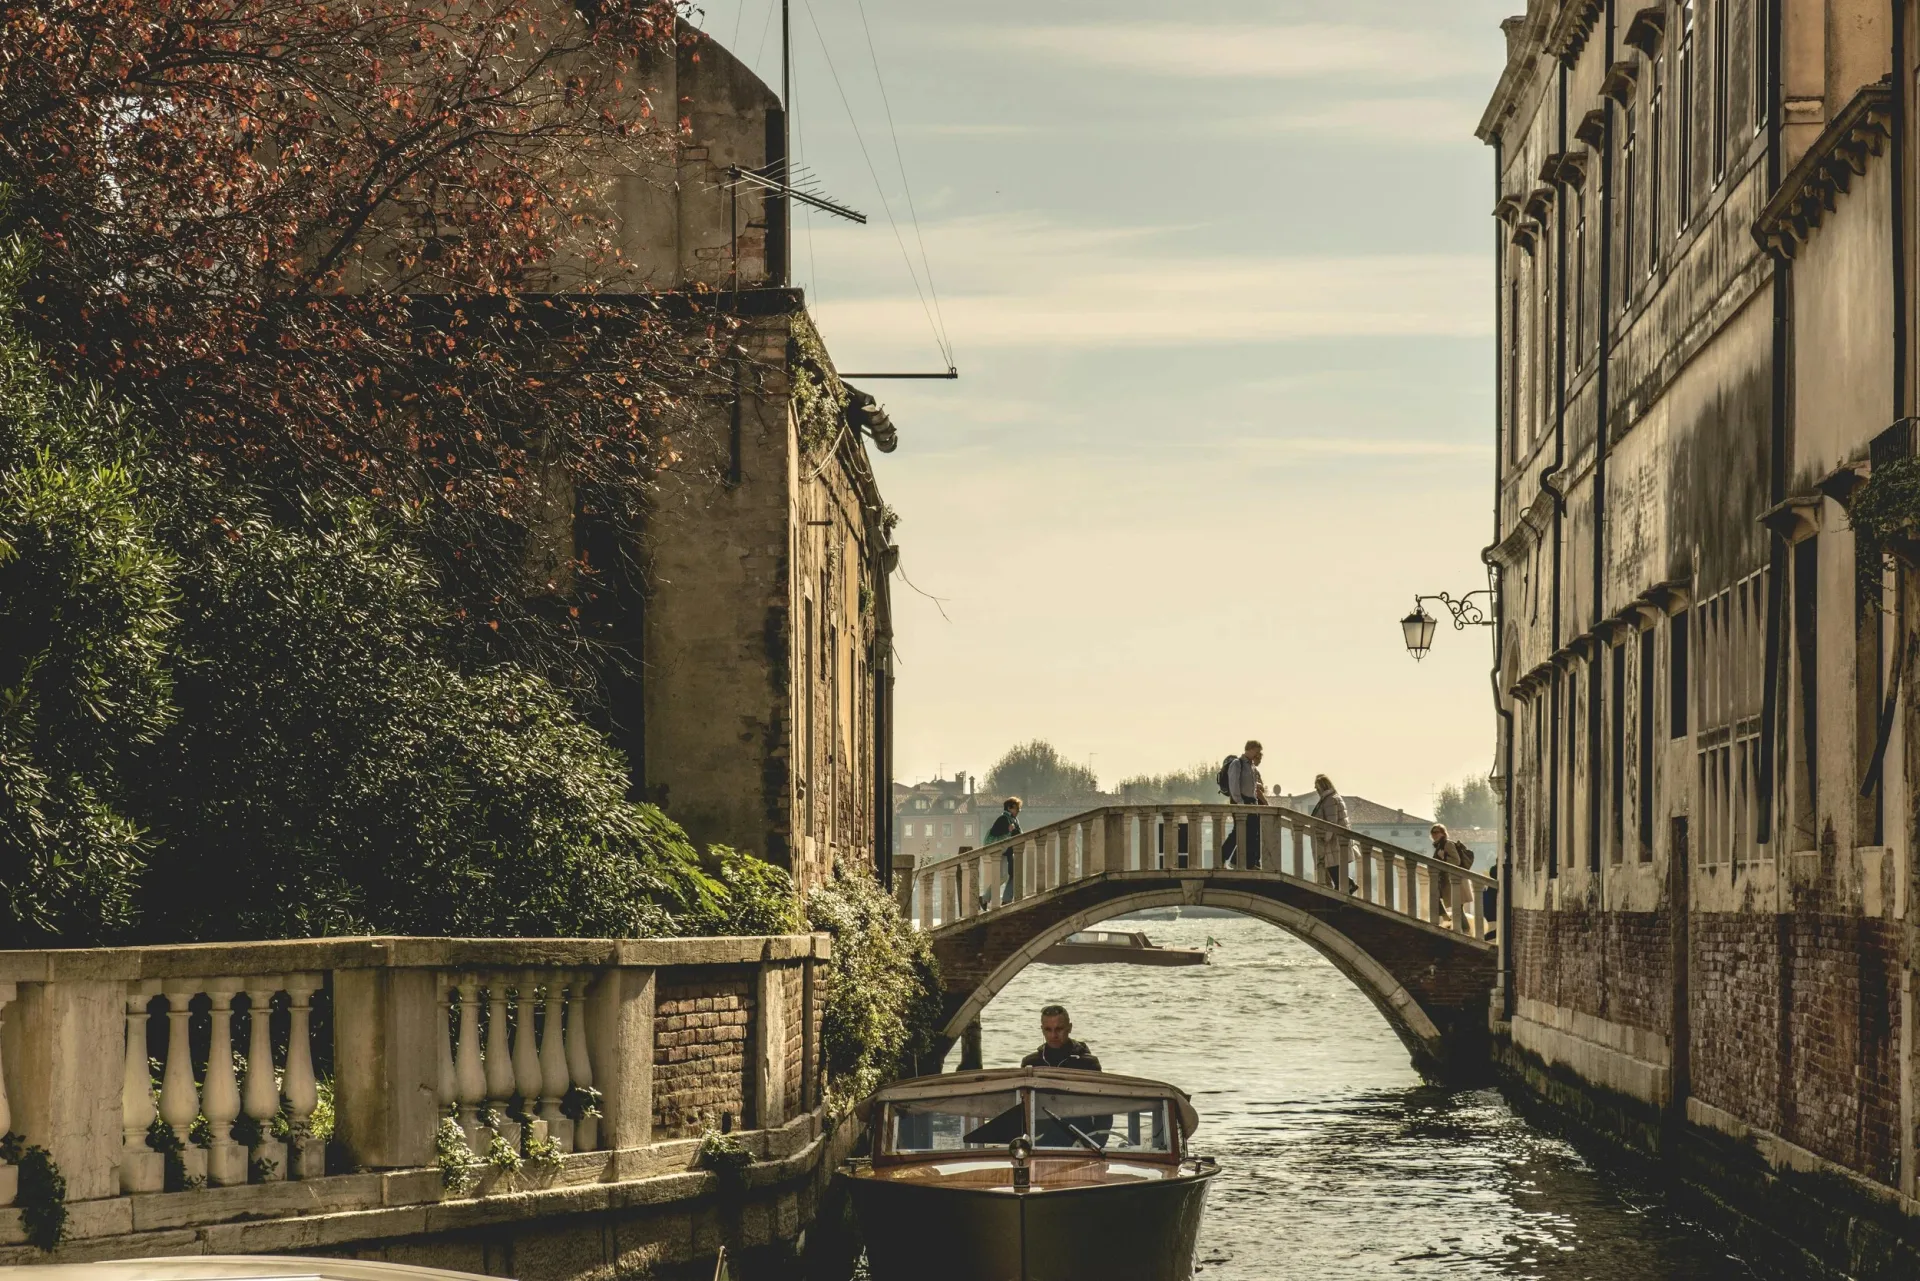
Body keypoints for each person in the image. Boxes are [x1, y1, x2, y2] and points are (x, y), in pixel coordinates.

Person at [1219, 740, 1267, 869]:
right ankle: (1220, 858)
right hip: (1241, 801)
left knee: (1252, 833)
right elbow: (1234, 785)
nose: (1258, 754)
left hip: (1252, 802)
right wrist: (1240, 803)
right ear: (1250, 749)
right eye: (1257, 751)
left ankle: (1249, 863)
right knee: (1237, 832)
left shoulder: (1251, 766)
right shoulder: (1237, 764)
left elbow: (1250, 785)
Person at [1020, 1004, 1102, 1070]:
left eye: (1059, 1029)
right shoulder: (1030, 1063)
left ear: (1069, 1028)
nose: (1053, 1035)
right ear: (1042, 1030)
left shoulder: (1088, 1063)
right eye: (1048, 1029)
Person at [1311, 774, 1353, 891]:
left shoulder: (1329, 800)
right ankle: (1349, 884)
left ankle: (1347, 885)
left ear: (1322, 786)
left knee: (1332, 866)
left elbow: (1331, 822)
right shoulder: (1334, 797)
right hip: (1338, 840)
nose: (1316, 790)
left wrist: (1326, 839)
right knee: (1335, 867)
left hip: (1333, 841)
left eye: (1316, 787)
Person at [1430, 823, 1476, 927]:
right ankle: (1447, 918)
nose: (1434, 834)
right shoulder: (1440, 846)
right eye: (1432, 832)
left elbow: (1456, 861)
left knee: (1458, 909)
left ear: (1443, 833)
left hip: (1457, 881)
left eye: (1436, 832)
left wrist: (1443, 858)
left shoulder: (1447, 844)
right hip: (1449, 881)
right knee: (1457, 908)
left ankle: (1466, 931)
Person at [990, 796, 1023, 904]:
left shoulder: (1014, 819)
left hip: (1010, 852)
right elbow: (995, 832)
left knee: (1012, 875)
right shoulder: (1003, 819)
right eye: (1017, 808)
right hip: (1004, 852)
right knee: (1005, 876)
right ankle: (1004, 899)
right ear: (1009, 808)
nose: (1018, 811)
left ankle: (1004, 899)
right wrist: (1007, 830)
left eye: (1019, 809)